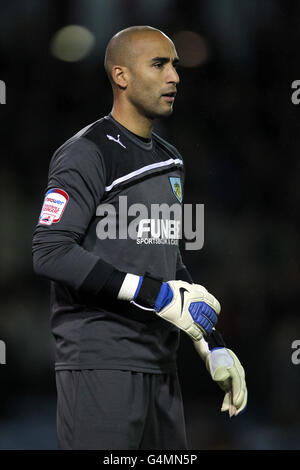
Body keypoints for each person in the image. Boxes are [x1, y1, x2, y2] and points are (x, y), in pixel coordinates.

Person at [32, 26, 247, 450]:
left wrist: (211, 343)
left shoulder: (170, 159)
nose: (175, 77)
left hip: (162, 366)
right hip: (101, 364)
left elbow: (169, 261)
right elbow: (50, 252)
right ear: (121, 76)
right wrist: (157, 296)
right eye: (159, 64)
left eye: (175, 66)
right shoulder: (86, 152)